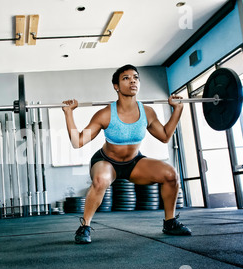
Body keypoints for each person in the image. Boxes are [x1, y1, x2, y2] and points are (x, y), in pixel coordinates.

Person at [62, 64, 192, 244]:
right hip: (106, 161)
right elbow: (78, 142)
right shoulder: (106, 114)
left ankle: (170, 222)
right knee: (101, 180)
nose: (133, 80)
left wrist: (177, 110)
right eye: (126, 78)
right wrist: (68, 113)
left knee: (171, 175)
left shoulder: (147, 111)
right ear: (116, 86)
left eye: (136, 77)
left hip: (134, 163)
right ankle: (85, 226)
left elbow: (164, 136)